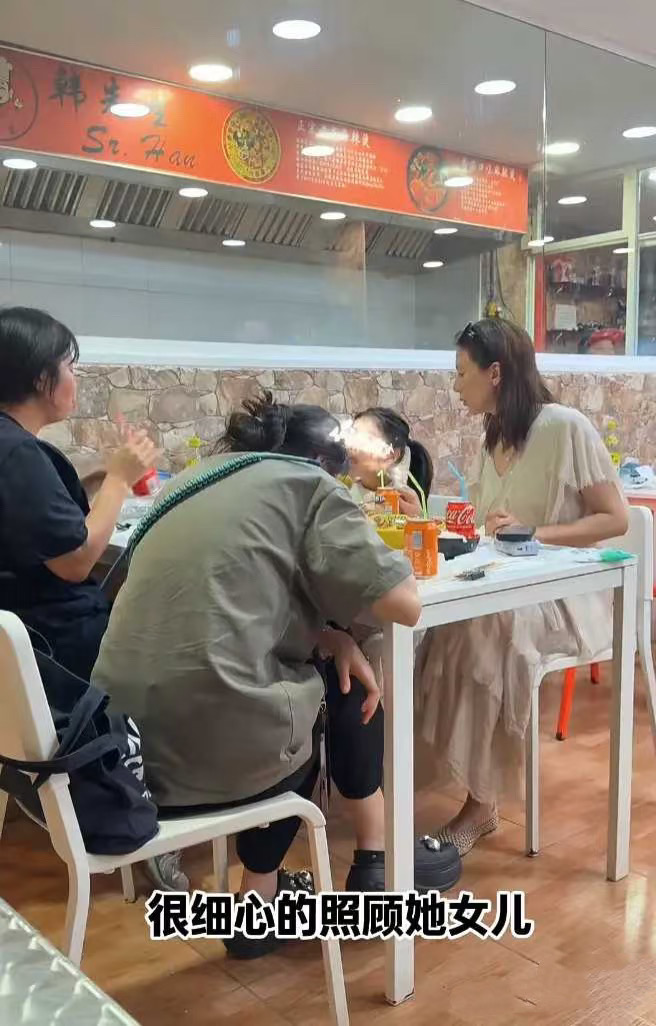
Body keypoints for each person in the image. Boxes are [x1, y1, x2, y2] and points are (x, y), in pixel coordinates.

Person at [92, 392, 461, 958]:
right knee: (336, 691)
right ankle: (332, 874)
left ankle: (333, 871)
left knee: (328, 667)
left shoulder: (189, 481)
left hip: (122, 752)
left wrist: (330, 635)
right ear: (321, 465)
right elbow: (404, 604)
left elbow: (229, 604)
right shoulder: (306, 486)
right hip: (206, 752)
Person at [415, 318, 629, 855]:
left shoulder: (564, 426)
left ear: (495, 373)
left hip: (565, 594)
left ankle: (481, 804)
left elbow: (615, 519)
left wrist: (535, 532)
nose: (455, 385)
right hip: (510, 585)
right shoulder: (493, 437)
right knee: (440, 624)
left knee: (486, 628)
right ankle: (438, 778)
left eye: (461, 373)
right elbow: (496, 524)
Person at [0, 307, 157, 680]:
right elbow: (75, 561)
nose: (76, 379)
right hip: (57, 649)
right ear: (42, 378)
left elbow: (28, 518)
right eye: (70, 367)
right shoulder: (19, 452)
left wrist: (101, 477)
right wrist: (119, 480)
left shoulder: (9, 444)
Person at [344, 407, 434, 517]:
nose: (350, 445)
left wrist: (417, 520)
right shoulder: (338, 489)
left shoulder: (402, 500)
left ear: (390, 455)